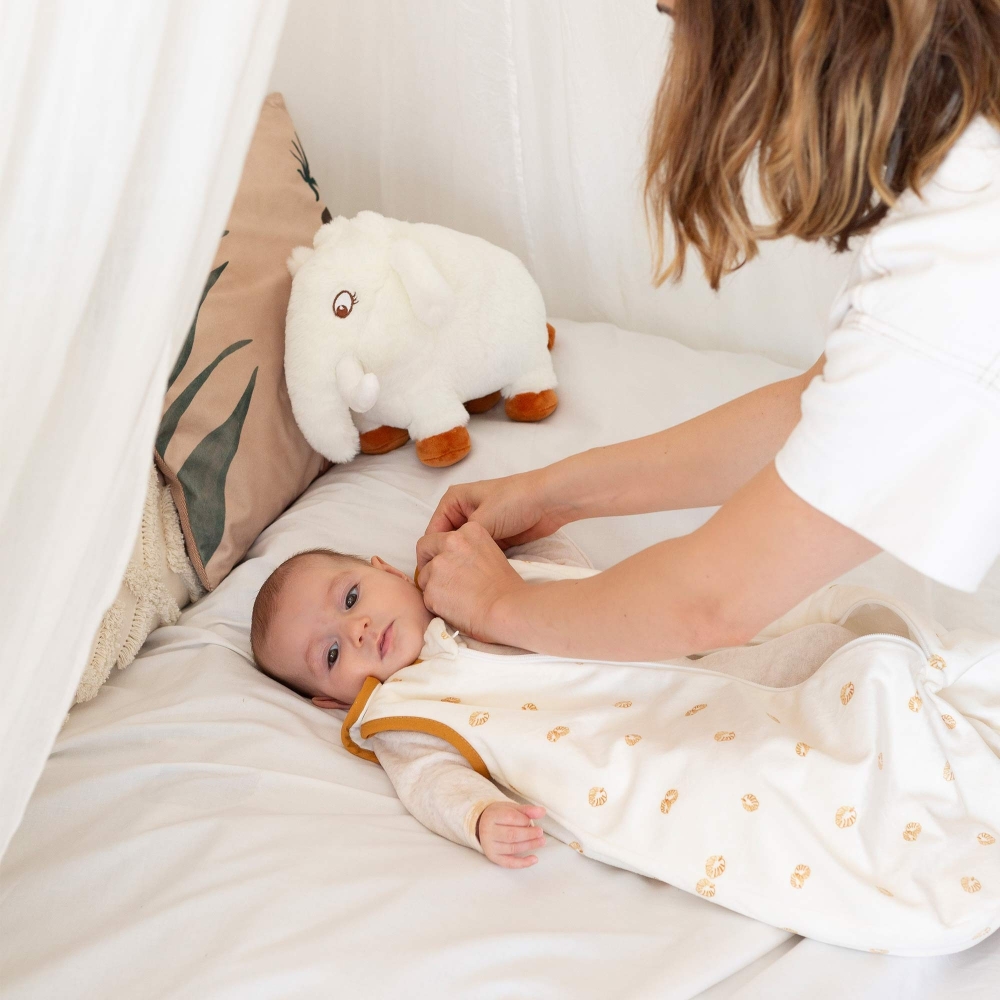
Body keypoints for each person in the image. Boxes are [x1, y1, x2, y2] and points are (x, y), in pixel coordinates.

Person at [414, 0, 1000, 662]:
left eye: (679, 13)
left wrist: (501, 605)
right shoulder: (961, 175)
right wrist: (550, 495)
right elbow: (828, 405)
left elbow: (709, 606)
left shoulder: (953, 276)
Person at [248, 546, 1000, 954]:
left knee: (824, 660)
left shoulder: (470, 583)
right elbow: (430, 782)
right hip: (631, 745)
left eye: (349, 600)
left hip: (683, 671)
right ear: (330, 701)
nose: (355, 634)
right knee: (767, 773)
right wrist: (478, 818)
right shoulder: (403, 716)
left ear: (382, 570)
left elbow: (591, 588)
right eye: (330, 656)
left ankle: (893, 707)